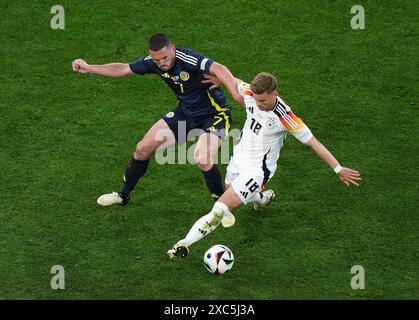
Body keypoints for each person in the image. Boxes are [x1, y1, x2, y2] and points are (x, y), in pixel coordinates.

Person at [167, 72, 361, 259]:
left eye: (263, 101)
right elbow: (237, 82)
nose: (258, 104)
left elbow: (314, 143)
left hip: (256, 171)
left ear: (275, 94)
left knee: (220, 209)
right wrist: (220, 78)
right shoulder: (251, 94)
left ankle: (183, 244)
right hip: (238, 160)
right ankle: (262, 199)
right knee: (231, 191)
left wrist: (338, 169)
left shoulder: (286, 117)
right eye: (257, 100)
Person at [72, 34, 243, 206]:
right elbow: (124, 68)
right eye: (156, 60)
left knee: (203, 158)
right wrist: (90, 68)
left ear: (173, 49)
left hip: (215, 116)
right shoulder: (153, 63)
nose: (161, 63)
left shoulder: (188, 58)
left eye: (164, 58)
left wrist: (235, 94)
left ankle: (223, 206)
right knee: (142, 149)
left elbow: (219, 68)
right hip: (185, 114)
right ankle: (123, 195)